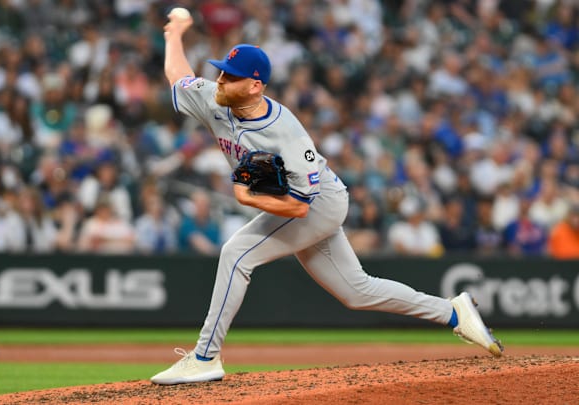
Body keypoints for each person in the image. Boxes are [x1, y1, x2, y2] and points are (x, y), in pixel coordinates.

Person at [150, 11, 503, 386]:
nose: (220, 79)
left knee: (236, 253)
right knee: (356, 290)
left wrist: (252, 198)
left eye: (230, 76)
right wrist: (175, 35)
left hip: (319, 202)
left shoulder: (286, 133)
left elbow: (300, 206)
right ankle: (453, 312)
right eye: (221, 71)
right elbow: (178, 76)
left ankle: (205, 356)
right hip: (300, 203)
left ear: (255, 86)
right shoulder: (216, 98)